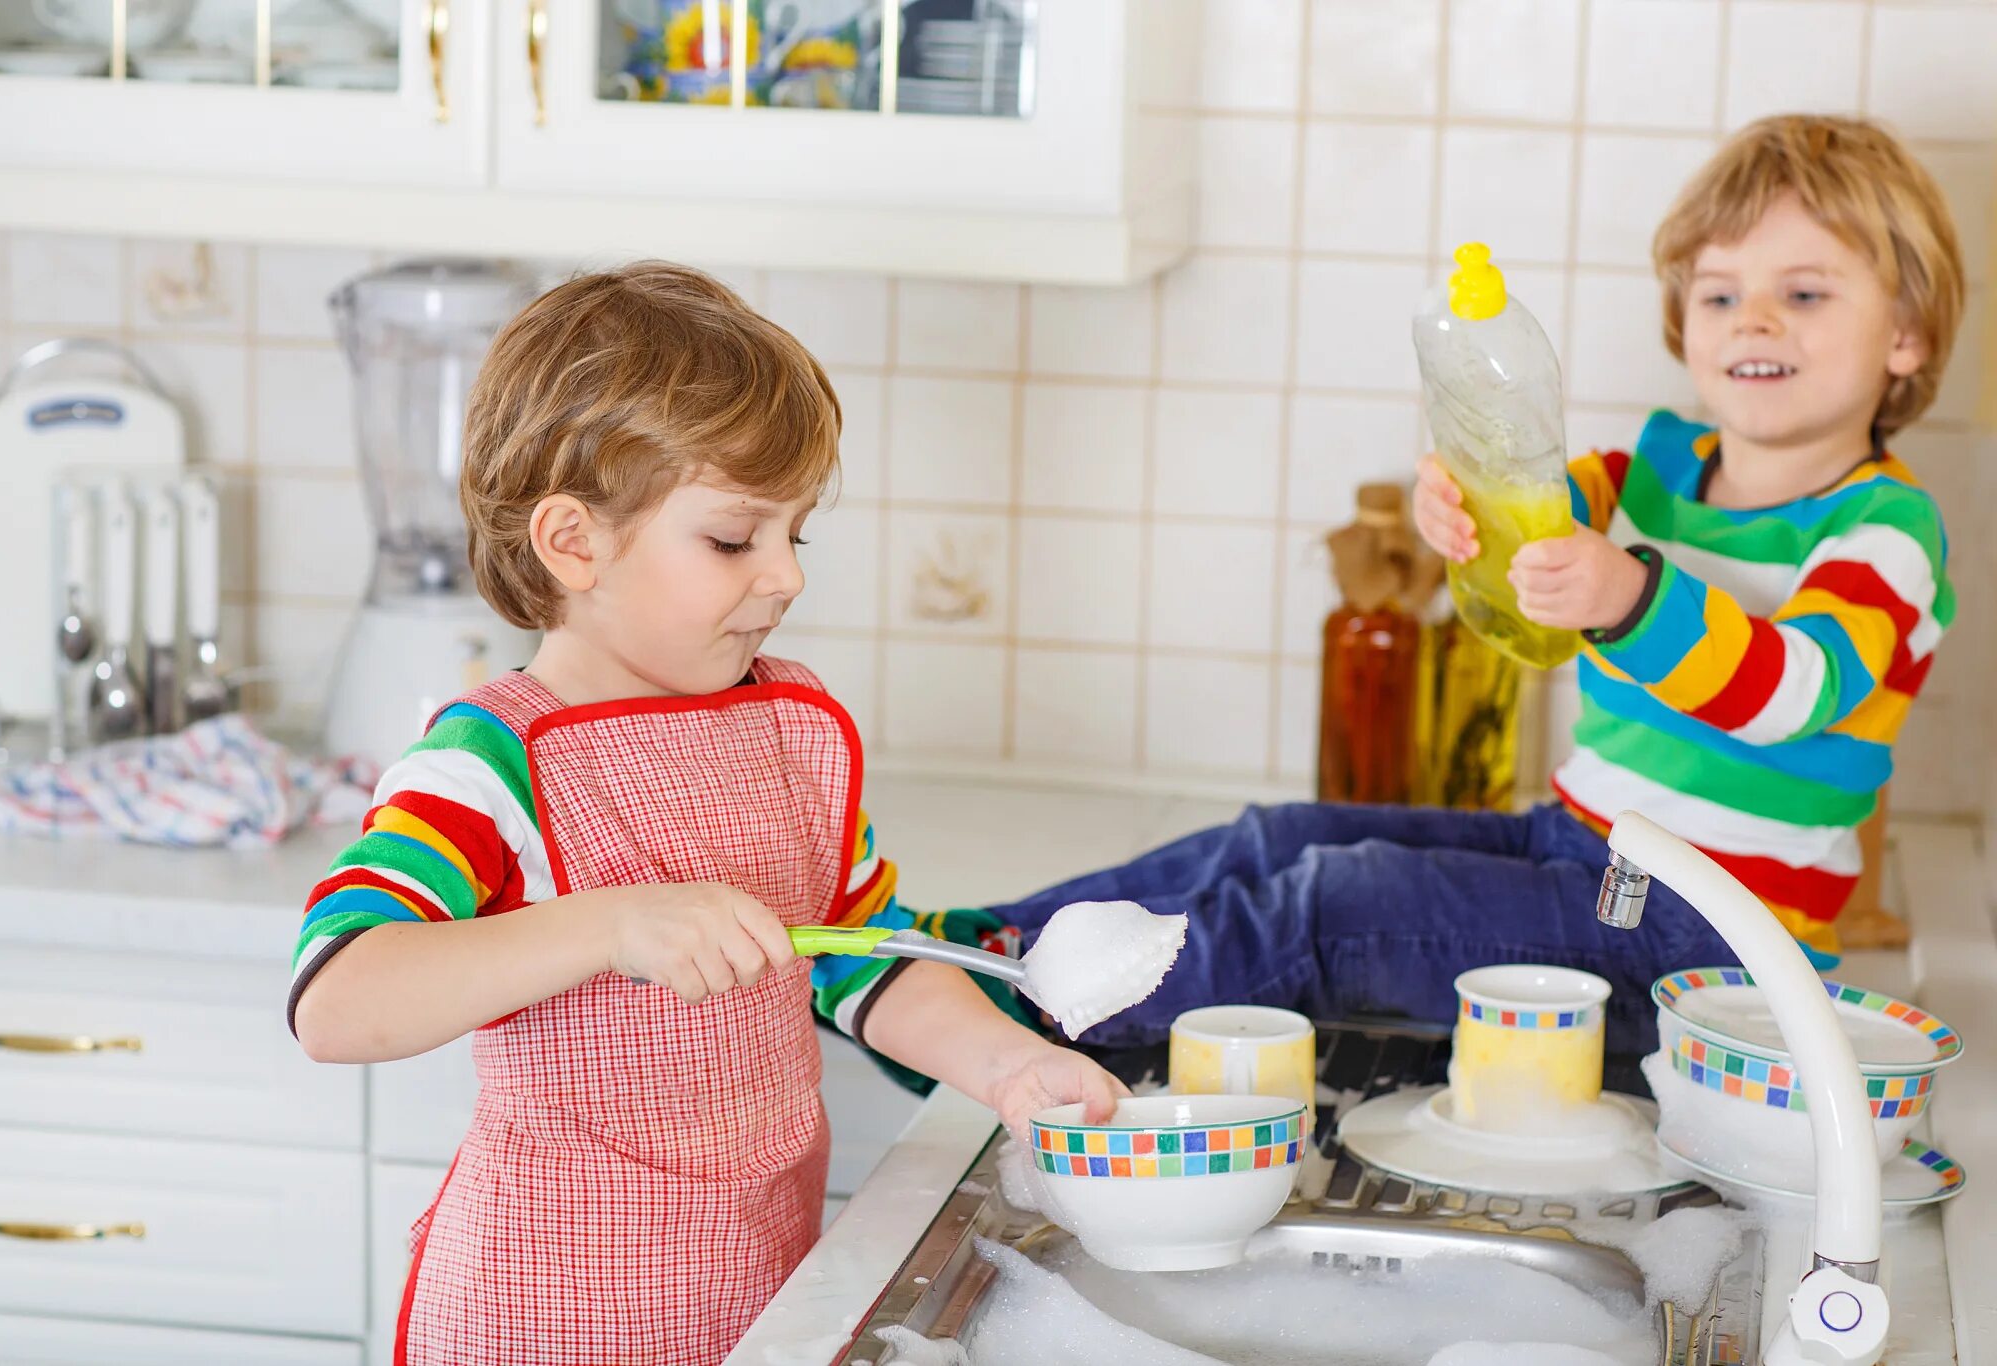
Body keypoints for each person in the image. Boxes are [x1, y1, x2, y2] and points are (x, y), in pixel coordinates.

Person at [982, 114, 1963, 1061]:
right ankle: (981, 950)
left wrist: (1625, 596)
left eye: (1801, 294)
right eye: (1717, 295)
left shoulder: (1881, 531)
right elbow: (1517, 528)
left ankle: (1013, 1021)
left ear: (1904, 336)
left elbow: (1792, 690)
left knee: (1336, 903)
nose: (1749, 317)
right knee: (1283, 837)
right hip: (1582, 850)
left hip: (1711, 949)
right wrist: (1455, 519)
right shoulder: (1649, 469)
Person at [287, 263, 1123, 1366]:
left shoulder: (785, 731)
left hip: (757, 1297)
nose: (784, 577)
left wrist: (1007, 1065)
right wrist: (606, 924)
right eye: (734, 539)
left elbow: (860, 956)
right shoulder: (492, 762)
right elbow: (336, 1000)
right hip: (545, 1317)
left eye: (796, 535)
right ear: (573, 542)